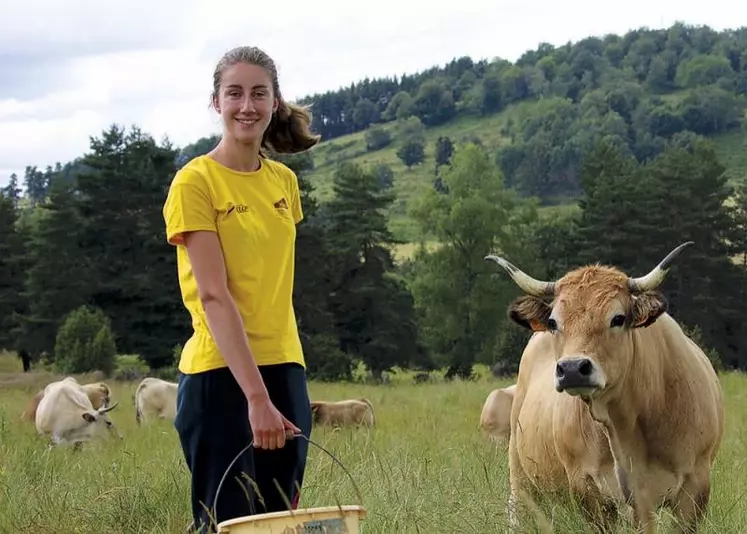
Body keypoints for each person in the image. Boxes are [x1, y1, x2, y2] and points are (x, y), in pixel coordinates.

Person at [162, 45, 321, 533]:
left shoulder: (284, 183)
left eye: (258, 93)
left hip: (285, 367)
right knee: (225, 523)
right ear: (216, 102)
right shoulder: (195, 182)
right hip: (221, 375)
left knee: (278, 522)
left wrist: (275, 391)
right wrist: (255, 398)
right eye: (234, 93)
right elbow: (213, 296)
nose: (246, 105)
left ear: (275, 102)